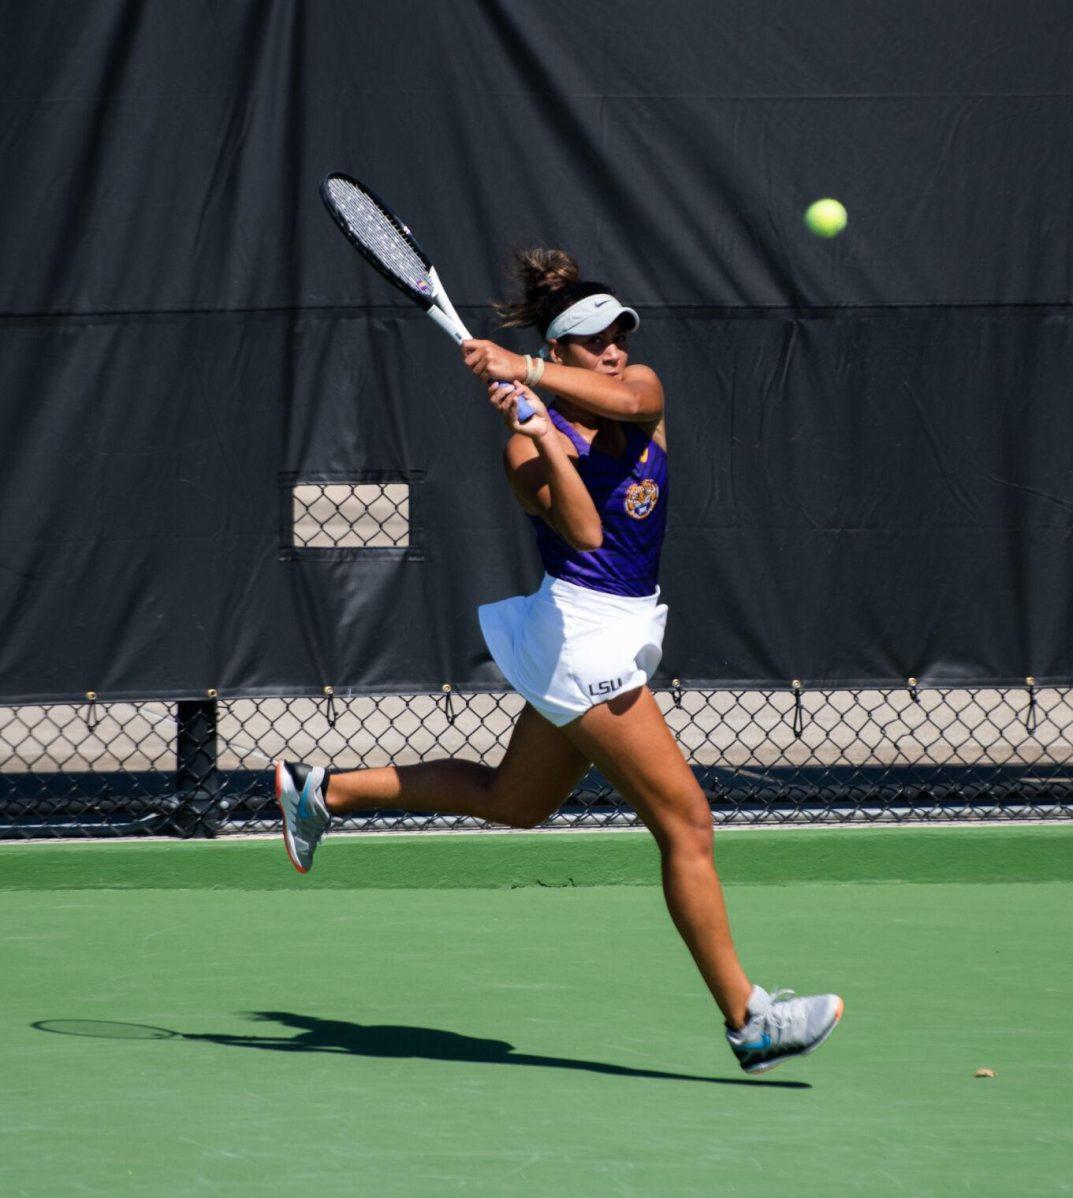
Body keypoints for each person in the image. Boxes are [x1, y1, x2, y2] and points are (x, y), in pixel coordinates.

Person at [275, 249, 843, 1074]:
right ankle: (747, 1019)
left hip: (607, 628)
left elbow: (620, 395)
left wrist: (528, 373)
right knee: (685, 823)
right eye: (593, 341)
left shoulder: (641, 392)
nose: (613, 349)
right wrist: (538, 430)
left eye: (618, 334)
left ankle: (320, 791)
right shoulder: (520, 448)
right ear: (563, 347)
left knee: (515, 802)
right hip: (583, 637)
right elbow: (583, 534)